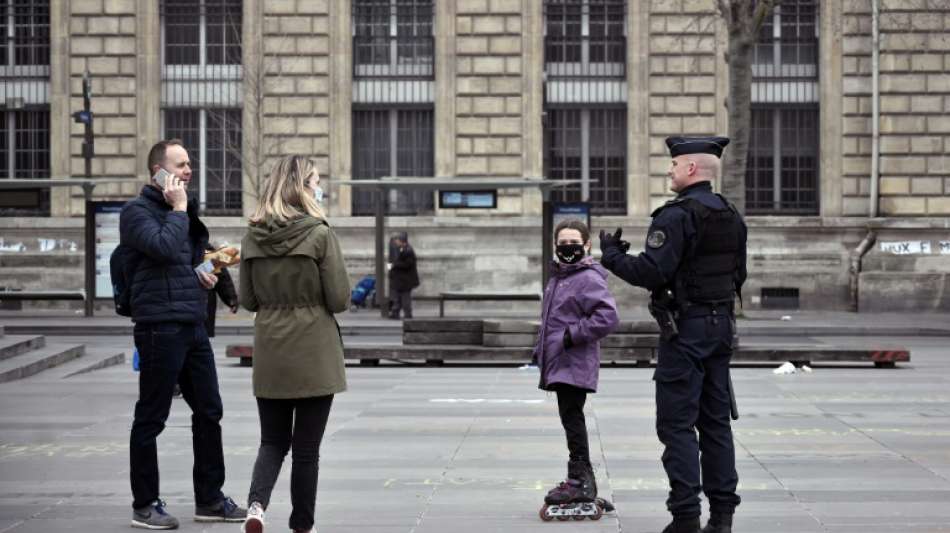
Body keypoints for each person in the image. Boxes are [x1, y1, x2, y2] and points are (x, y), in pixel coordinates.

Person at [598, 136, 747, 533]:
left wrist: (612, 256)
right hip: (721, 327)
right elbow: (739, 275)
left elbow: (652, 272)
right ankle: (722, 518)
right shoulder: (731, 214)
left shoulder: (675, 215)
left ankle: (685, 518)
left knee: (677, 424)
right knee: (716, 423)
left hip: (686, 329)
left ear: (691, 169)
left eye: (674, 164)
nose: (669, 170)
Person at [121, 139, 245, 529]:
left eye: (190, 163)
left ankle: (209, 499)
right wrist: (178, 209)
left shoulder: (184, 213)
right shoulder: (136, 212)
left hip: (192, 325)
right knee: (151, 417)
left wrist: (205, 276)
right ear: (157, 171)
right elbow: (161, 248)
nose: (188, 170)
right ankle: (145, 504)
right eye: (180, 165)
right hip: (159, 327)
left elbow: (183, 260)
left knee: (210, 411)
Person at [239, 155, 350, 533]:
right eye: (315, 181)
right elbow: (339, 298)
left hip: (271, 348)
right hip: (314, 349)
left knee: (272, 441)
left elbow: (248, 299)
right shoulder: (319, 233)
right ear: (302, 186)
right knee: (306, 450)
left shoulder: (252, 235)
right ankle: (302, 525)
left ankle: (255, 507)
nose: (319, 188)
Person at [534, 219, 619, 512]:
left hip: (574, 361)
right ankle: (585, 480)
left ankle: (579, 480)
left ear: (586, 246)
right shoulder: (559, 276)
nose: (567, 248)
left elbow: (607, 316)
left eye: (573, 243)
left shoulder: (587, 278)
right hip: (559, 361)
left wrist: (571, 336)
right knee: (571, 418)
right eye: (562, 243)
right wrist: (541, 350)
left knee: (572, 418)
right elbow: (551, 322)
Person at [388, 232, 419, 319]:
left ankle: (407, 314)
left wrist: (395, 265)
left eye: (397, 240)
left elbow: (407, 264)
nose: (396, 242)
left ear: (402, 241)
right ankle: (395, 313)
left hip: (405, 281)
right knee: (398, 297)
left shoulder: (407, 250)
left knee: (405, 298)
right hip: (401, 280)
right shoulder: (402, 249)